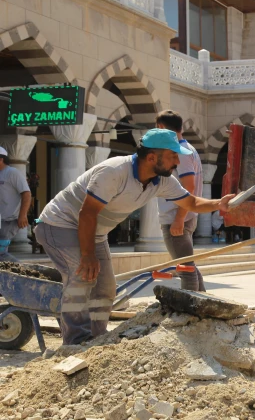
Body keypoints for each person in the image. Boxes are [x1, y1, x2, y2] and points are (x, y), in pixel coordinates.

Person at [34, 129, 235, 345]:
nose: (178, 161)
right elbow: (87, 213)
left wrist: (218, 204)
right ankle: (75, 342)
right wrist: (88, 254)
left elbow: (191, 203)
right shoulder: (113, 172)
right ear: (151, 157)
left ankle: (95, 339)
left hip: (95, 232)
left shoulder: (162, 180)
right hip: (59, 224)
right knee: (82, 276)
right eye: (173, 155)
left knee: (105, 288)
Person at [155, 110, 205, 292]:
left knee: (185, 269)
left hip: (177, 217)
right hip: (184, 215)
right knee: (189, 265)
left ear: (161, 128)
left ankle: (191, 310)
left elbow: (188, 187)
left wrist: (179, 218)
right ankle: (204, 304)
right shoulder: (188, 149)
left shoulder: (180, 152)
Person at [0, 146, 31, 262]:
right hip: (0, 219)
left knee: (1, 253)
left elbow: (26, 194)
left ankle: (26, 271)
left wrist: (23, 215)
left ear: (1, 159)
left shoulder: (13, 173)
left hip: (10, 220)